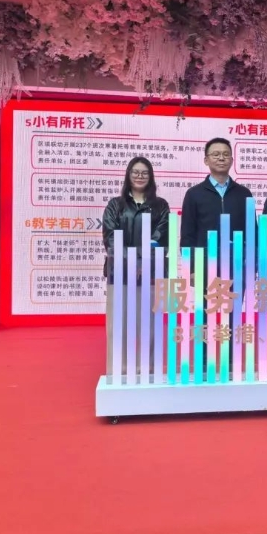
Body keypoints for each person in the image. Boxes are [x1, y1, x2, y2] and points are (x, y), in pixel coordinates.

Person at [102, 157, 170, 377]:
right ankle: (118, 372)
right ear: (128, 175)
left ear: (151, 177)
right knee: (118, 326)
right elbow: (110, 238)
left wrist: (141, 262)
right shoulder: (115, 204)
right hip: (119, 273)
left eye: (144, 173)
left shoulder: (160, 206)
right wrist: (132, 261)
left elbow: (161, 238)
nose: (140, 176)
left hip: (151, 274)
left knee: (150, 327)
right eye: (135, 172)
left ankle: (149, 371)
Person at [180, 137, 254, 255]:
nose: (221, 158)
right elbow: (187, 234)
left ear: (232, 160)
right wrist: (191, 263)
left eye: (226, 154)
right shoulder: (193, 194)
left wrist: (251, 261)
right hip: (204, 260)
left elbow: (252, 232)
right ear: (206, 160)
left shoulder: (244, 193)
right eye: (216, 154)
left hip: (237, 260)